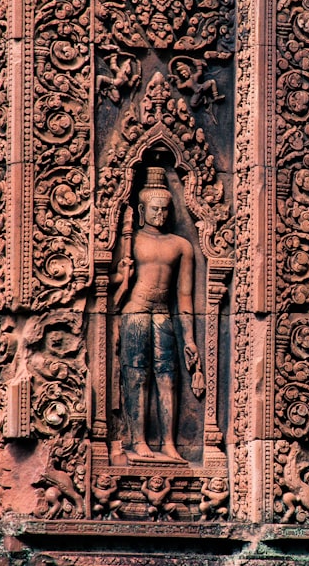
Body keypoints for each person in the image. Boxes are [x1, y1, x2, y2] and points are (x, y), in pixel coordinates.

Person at [113, 167, 204, 463]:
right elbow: (110, 283)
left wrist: (189, 337)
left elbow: (184, 296)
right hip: (135, 312)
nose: (160, 215)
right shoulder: (132, 240)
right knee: (136, 375)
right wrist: (122, 275)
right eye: (154, 209)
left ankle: (168, 442)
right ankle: (138, 440)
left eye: (165, 210)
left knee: (168, 377)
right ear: (142, 209)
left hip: (164, 314)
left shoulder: (181, 246)